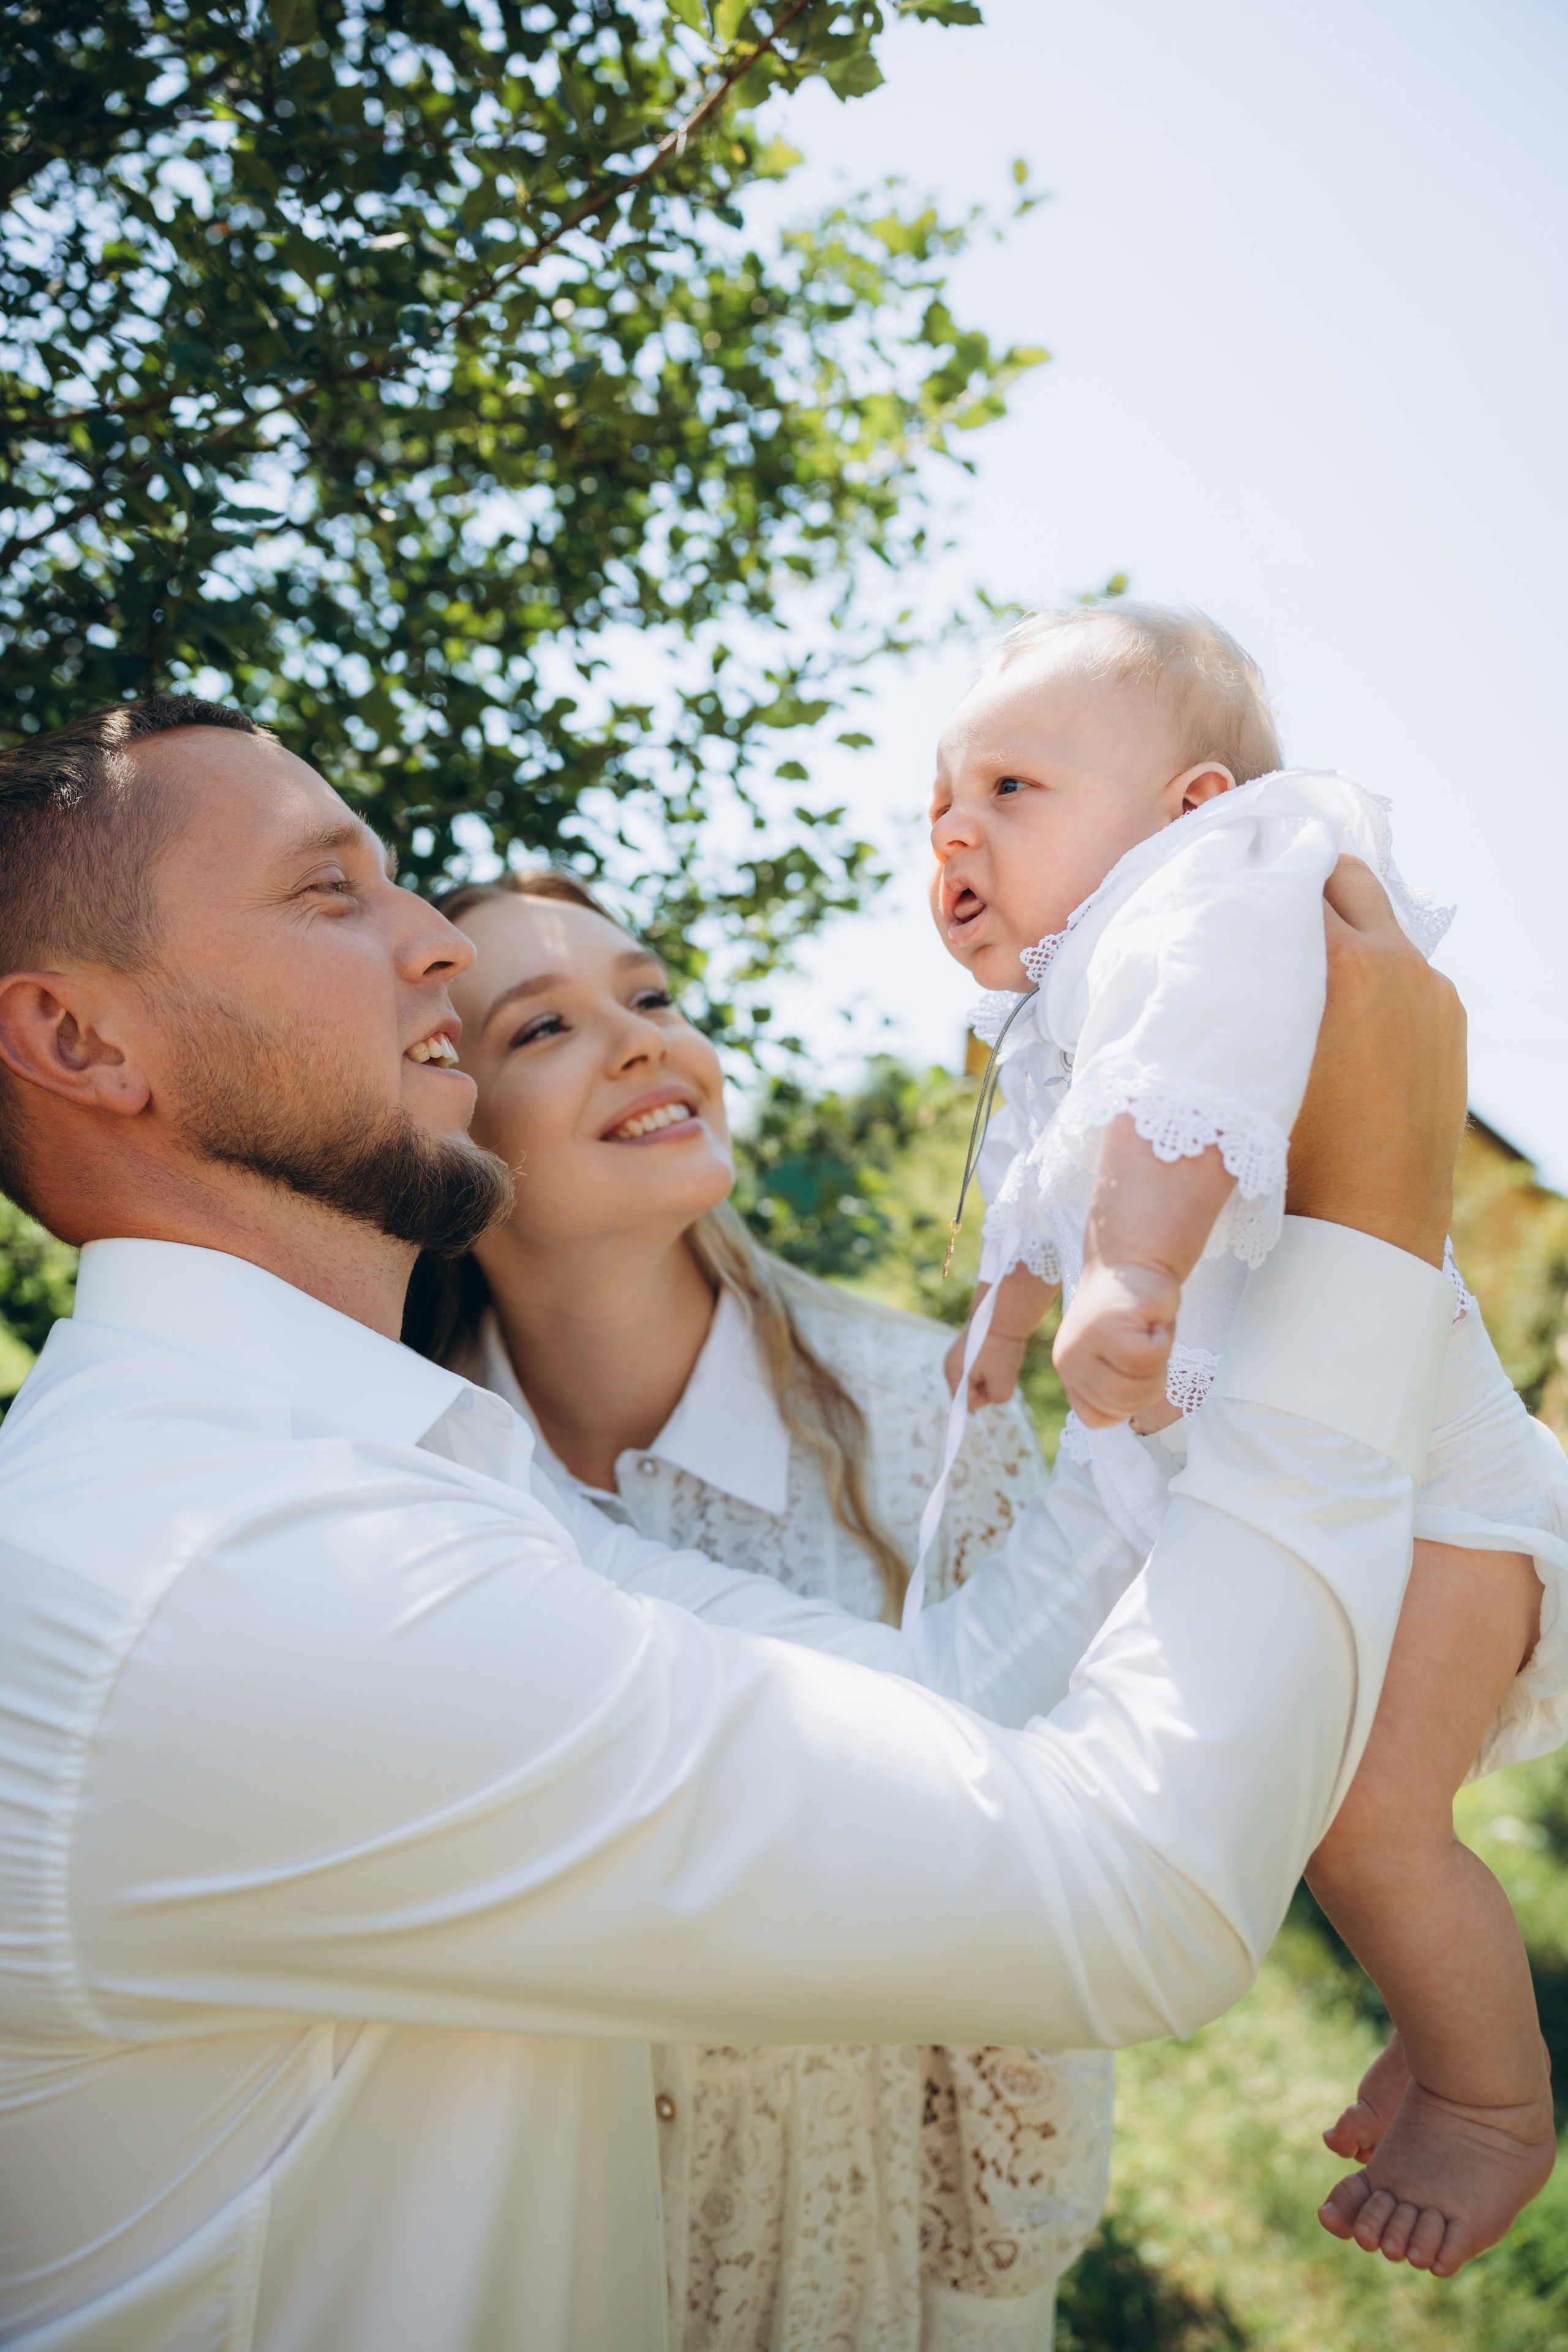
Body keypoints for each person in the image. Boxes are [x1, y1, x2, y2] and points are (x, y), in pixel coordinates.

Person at [0, 695, 1464, 2352]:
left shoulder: (381, 1477)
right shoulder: (234, 1578)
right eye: (330, 894)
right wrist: (1365, 1223)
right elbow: (1123, 1894)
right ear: (80, 1042)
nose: (428, 945)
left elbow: (949, 1714)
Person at [402, 865, 1130, 2351]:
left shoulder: (927, 1410)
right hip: (509, 2251)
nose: (643, 1040)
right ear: (444, 1132)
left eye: (651, 994)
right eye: (541, 1028)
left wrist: (987, 2306)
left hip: (835, 2239)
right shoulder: (402, 1474)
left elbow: (1030, 1911)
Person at [927, 601, 1566, 2276]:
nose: (956, 830)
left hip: (1446, 1506)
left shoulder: (1211, 896)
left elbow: (1184, 1090)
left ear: (1186, 801)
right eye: (940, 803)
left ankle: (1496, 2104)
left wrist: (1130, 1261)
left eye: (1010, 785)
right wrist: (1010, 1313)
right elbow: (1053, 1170)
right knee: (1310, 1808)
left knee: (1365, 1817)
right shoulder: (1086, 987)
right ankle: (1443, 2034)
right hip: (1370, 1471)